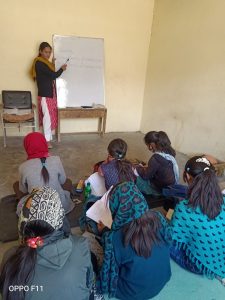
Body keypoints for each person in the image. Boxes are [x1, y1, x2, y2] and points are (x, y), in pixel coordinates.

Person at [0, 187, 94, 300]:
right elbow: (89, 284)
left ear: (23, 222)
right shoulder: (81, 245)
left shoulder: (11, 258)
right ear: (61, 219)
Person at [98, 181, 171, 299]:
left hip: (132, 293)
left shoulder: (115, 238)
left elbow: (109, 272)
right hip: (163, 279)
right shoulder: (158, 217)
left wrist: (104, 232)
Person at [168, 156, 225, 281]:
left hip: (199, 265)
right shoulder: (223, 200)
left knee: (164, 240)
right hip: (221, 258)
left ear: (188, 177)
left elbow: (172, 237)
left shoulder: (184, 208)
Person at [13, 132, 74, 214]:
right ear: (44, 144)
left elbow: (23, 190)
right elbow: (62, 181)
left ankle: (23, 204)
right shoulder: (56, 159)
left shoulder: (23, 167)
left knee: (16, 185)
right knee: (68, 181)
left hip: (35, 213)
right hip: (60, 207)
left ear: (27, 147)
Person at [30, 41, 67, 148]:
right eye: (46, 52)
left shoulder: (45, 63)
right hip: (45, 95)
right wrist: (61, 69)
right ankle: (46, 141)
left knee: (49, 116)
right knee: (47, 117)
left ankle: (47, 139)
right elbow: (53, 75)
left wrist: (53, 64)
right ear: (40, 51)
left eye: (49, 52)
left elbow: (49, 72)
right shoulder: (39, 63)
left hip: (49, 94)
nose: (48, 54)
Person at [135, 131, 179, 196]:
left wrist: (138, 168)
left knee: (137, 178)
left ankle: (154, 194)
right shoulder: (170, 152)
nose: (148, 148)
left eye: (147, 145)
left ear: (151, 145)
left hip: (161, 190)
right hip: (170, 187)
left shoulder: (155, 158)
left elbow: (145, 176)